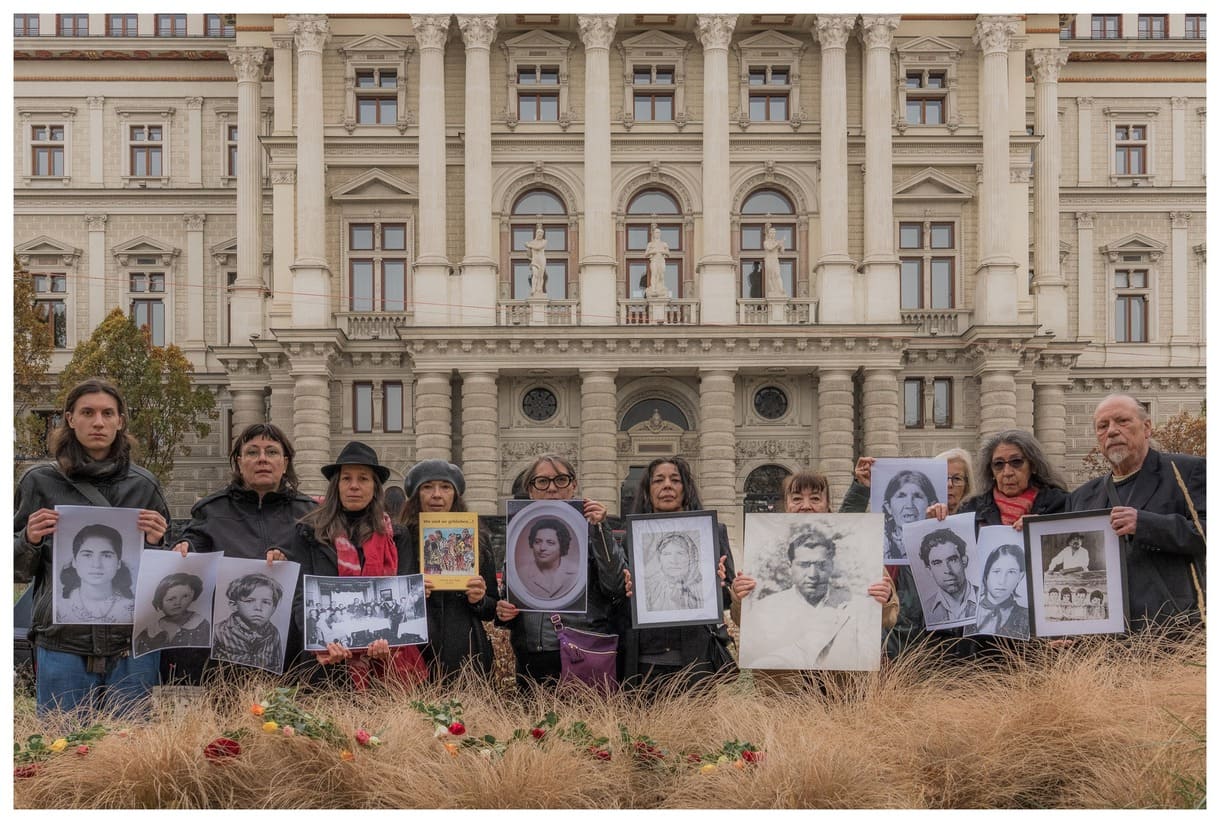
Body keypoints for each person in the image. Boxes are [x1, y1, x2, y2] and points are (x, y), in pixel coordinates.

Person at [14, 377, 170, 717]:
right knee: (62, 741)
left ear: (120, 421)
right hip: (62, 643)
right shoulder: (39, 481)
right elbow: (15, 570)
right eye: (87, 412)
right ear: (70, 419)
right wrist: (29, 539)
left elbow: (166, 576)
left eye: (107, 413)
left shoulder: (144, 485)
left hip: (131, 645)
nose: (98, 422)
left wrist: (159, 544)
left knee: (129, 744)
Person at [168, 422, 317, 683]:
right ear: (239, 462)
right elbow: (193, 546)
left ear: (285, 462)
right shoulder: (212, 510)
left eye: (271, 452)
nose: (262, 459)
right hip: (225, 659)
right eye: (252, 452)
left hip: (291, 653)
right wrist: (184, 549)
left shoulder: (310, 514)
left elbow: (321, 570)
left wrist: (290, 559)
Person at [294, 441, 426, 689]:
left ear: (375, 487)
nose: (354, 485)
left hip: (384, 668)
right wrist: (320, 642)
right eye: (347, 478)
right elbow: (300, 597)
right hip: (325, 666)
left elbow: (405, 598)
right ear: (337, 485)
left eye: (363, 478)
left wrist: (390, 639)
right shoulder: (310, 533)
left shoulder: (397, 536)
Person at [1067, 394, 1206, 628]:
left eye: (1122, 421)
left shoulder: (1187, 470)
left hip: (1172, 628)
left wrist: (1144, 524)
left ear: (1147, 427)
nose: (1112, 431)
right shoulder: (1082, 496)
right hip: (1104, 635)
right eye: (1103, 426)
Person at [495, 454, 628, 692]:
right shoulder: (518, 532)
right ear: (530, 490)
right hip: (532, 655)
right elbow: (509, 597)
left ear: (573, 485)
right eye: (542, 481)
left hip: (583, 651)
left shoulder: (593, 529)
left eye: (561, 480)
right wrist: (504, 611)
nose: (552, 488)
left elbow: (616, 586)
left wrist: (600, 530)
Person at [728, 469, 897, 632]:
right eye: (797, 499)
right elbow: (742, 621)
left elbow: (890, 619)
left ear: (827, 504)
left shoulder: (856, 547)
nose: (806, 506)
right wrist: (740, 598)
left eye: (815, 499)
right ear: (786, 505)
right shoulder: (764, 553)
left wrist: (885, 600)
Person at [622, 456, 735, 690]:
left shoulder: (711, 532)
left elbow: (727, 600)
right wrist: (626, 590)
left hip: (696, 658)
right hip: (645, 660)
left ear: (686, 489)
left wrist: (720, 585)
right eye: (658, 480)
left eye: (675, 480)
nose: (667, 486)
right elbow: (621, 603)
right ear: (647, 491)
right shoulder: (631, 538)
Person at [398, 459, 497, 680]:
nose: (437, 495)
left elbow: (491, 609)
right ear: (416, 495)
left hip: (466, 653)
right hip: (414, 653)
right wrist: (410, 594)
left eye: (445, 487)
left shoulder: (477, 539)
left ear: (455, 495)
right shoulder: (399, 539)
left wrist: (479, 600)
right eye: (427, 487)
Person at [741, 523, 880, 670]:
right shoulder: (766, 608)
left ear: (831, 566)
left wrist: (886, 602)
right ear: (790, 567)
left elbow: (869, 657)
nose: (813, 574)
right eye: (804, 565)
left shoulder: (857, 606)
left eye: (821, 565)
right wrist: (739, 600)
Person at [954, 430, 1070, 531]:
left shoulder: (1061, 504)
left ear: (1033, 466)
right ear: (991, 471)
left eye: (1016, 462)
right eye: (998, 464)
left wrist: (1044, 528)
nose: (1007, 472)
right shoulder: (970, 510)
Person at [58, 524, 136, 625]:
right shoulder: (59, 607)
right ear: (74, 562)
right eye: (87, 555)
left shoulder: (133, 608)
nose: (96, 565)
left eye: (106, 555)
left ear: (118, 563)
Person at [211, 573, 284, 671]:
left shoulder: (273, 633)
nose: (258, 608)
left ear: (274, 608)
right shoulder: (218, 631)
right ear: (234, 605)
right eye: (249, 601)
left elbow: (277, 666)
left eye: (266, 602)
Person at [134, 572, 210, 655]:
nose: (178, 603)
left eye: (185, 596)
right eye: (171, 599)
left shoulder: (201, 625)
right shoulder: (150, 632)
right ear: (160, 601)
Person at [916, 528, 978, 627]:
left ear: (964, 561)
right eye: (937, 563)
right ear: (929, 570)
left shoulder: (988, 599)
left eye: (952, 560)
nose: (947, 570)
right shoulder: (924, 611)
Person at [967, 544, 1029, 639]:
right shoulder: (967, 610)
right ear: (986, 574)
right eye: (996, 571)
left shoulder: (1027, 617)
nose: (1002, 581)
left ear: (1020, 576)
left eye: (1011, 572)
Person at [515, 516, 582, 604]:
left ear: (562, 545)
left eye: (550, 543)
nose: (542, 548)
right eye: (537, 542)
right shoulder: (521, 574)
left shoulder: (577, 572)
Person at [881, 470, 940, 561]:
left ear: (931, 505)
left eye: (917, 496)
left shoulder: (941, 543)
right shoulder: (878, 543)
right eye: (901, 496)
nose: (909, 505)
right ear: (888, 507)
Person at [645, 531, 705, 611]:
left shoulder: (704, 587)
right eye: (667, 554)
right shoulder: (651, 589)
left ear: (691, 557)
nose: (673, 561)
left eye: (680, 553)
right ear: (659, 558)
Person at [644, 225, 671, 298]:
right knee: (654, 274)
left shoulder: (664, 244)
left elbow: (668, 254)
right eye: (656, 232)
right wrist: (652, 251)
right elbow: (646, 254)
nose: (657, 234)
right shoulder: (650, 244)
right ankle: (653, 289)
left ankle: (661, 287)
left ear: (660, 234)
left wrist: (663, 251)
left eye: (658, 233)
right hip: (654, 260)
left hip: (661, 260)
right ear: (653, 234)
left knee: (661, 275)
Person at [762, 223, 786, 298]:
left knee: (777, 274)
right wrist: (778, 243)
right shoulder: (766, 242)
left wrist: (782, 245)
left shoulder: (776, 242)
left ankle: (781, 289)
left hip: (775, 260)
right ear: (769, 234)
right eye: (771, 233)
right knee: (770, 276)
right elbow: (770, 248)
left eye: (774, 233)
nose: (773, 234)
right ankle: (772, 290)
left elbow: (782, 252)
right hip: (769, 260)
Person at [525, 225, 548, 297]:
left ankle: (539, 290)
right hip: (534, 260)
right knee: (535, 274)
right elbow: (529, 255)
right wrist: (528, 249)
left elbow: (539, 247)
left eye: (541, 234)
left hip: (542, 260)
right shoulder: (532, 242)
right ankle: (533, 289)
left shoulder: (544, 241)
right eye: (539, 234)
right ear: (536, 234)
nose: (540, 235)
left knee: (541, 276)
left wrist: (529, 246)